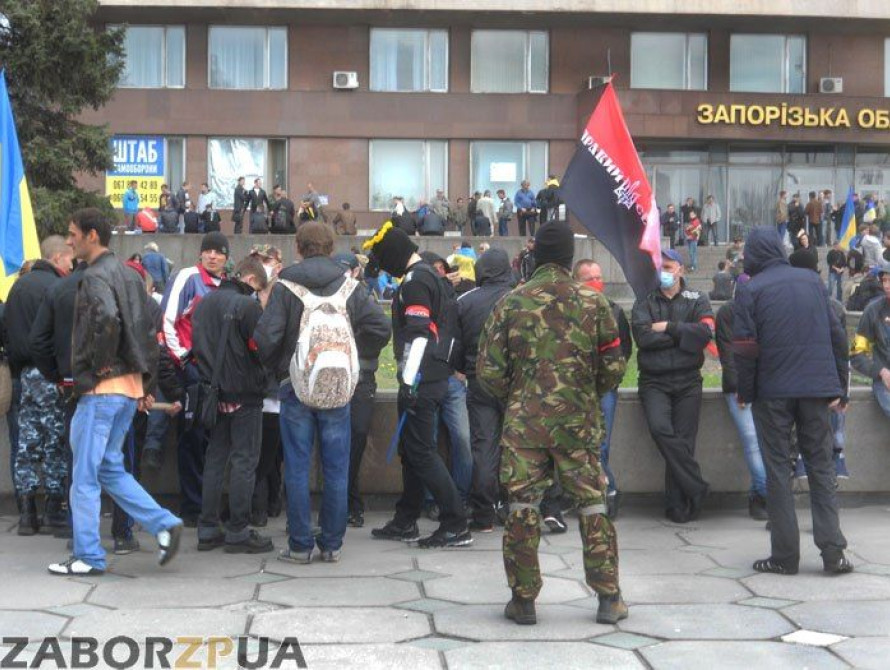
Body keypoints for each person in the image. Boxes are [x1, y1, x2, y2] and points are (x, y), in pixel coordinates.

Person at [477, 222, 627, 626]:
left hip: (524, 426)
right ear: (569, 259)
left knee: (523, 506)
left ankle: (523, 601)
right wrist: (585, 393)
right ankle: (609, 598)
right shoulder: (594, 304)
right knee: (593, 503)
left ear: (537, 255)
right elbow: (614, 367)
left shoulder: (511, 303)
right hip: (577, 425)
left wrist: (519, 395)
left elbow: (488, 370)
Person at [48, 208, 183, 576]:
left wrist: (96, 368)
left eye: (73, 233)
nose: (69, 239)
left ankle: (88, 556)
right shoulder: (128, 274)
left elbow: (107, 320)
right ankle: (164, 523)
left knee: (86, 476)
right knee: (109, 468)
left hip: (101, 392)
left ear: (92, 235)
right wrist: (145, 384)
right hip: (127, 390)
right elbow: (146, 330)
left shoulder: (93, 277)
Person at [255, 223, 390, 563]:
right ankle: (331, 543)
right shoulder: (350, 285)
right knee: (336, 467)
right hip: (338, 388)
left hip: (295, 386)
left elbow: (266, 337)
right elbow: (380, 327)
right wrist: (352, 357)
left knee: (297, 466)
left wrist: (279, 368)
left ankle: (300, 544)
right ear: (332, 248)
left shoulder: (285, 284)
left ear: (298, 247)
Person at [733, 226, 852, 576]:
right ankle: (833, 553)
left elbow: (745, 349)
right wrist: (840, 389)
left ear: (755, 254)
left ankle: (785, 556)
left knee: (778, 470)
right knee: (821, 467)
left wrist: (747, 391)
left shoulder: (750, 289)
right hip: (816, 390)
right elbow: (837, 336)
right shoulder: (812, 282)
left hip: (773, 392)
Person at [363, 222, 472, 548]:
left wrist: (409, 381)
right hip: (432, 376)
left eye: (383, 260)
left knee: (421, 452)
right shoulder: (428, 276)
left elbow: (419, 332)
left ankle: (455, 522)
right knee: (412, 451)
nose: (382, 267)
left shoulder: (415, 282)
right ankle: (406, 519)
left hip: (422, 378)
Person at [193, 256, 273, 554]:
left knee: (215, 459)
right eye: (257, 288)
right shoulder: (247, 306)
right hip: (244, 393)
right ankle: (238, 529)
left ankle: (208, 527)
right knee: (244, 460)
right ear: (251, 280)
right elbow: (261, 347)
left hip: (214, 393)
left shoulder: (204, 303)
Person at [632, 249, 713, 524]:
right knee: (661, 430)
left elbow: (704, 334)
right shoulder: (645, 300)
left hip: (689, 381)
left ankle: (679, 504)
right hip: (654, 381)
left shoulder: (697, 298)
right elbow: (643, 339)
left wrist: (668, 327)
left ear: (680, 269)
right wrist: (683, 335)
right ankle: (697, 486)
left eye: (668, 266)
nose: (663, 272)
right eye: (660, 267)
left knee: (684, 442)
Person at [5, 236, 72, 535]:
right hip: (49, 376)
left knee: (26, 444)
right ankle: (54, 511)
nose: (72, 265)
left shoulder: (17, 288)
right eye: (69, 259)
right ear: (57, 257)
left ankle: (27, 514)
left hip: (22, 376)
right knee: (55, 441)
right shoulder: (55, 288)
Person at [160, 232, 228, 525]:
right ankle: (192, 505)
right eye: (208, 251)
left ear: (226, 256)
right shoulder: (187, 277)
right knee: (192, 438)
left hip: (220, 374)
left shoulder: (227, 285)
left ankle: (209, 504)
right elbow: (166, 321)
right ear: (200, 254)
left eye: (218, 251)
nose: (212, 256)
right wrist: (185, 360)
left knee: (215, 440)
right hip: (190, 370)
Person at [455, 249, 514, 532]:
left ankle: (483, 515)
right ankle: (515, 508)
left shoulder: (466, 301)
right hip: (516, 384)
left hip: (479, 382)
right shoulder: (520, 298)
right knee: (517, 447)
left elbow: (455, 343)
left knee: (484, 447)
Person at [573, 260, 631, 518]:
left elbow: (624, 351)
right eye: (589, 278)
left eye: (598, 276)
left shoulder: (614, 310)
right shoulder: (568, 312)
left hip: (604, 388)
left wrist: (610, 379)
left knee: (601, 445)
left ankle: (608, 492)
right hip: (575, 389)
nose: (596, 282)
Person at [715, 274, 768, 521]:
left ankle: (759, 495)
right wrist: (740, 387)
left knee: (767, 442)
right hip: (739, 387)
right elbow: (728, 354)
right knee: (752, 439)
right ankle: (767, 493)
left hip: (768, 385)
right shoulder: (727, 313)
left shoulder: (767, 310)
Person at [851, 261, 890, 421]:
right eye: (885, 280)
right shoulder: (872, 311)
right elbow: (856, 353)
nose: (886, 285)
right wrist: (881, 371)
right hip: (885, 383)